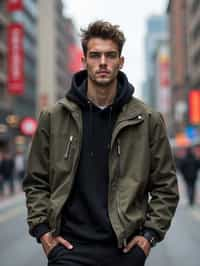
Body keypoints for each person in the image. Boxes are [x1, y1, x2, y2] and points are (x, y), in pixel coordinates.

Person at [23, 21, 179, 266]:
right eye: (95, 55)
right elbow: (36, 182)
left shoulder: (148, 120)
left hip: (124, 251)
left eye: (110, 55)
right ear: (84, 61)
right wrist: (44, 233)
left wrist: (148, 237)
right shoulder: (53, 117)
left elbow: (165, 187)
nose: (103, 62)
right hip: (68, 251)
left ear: (121, 61)